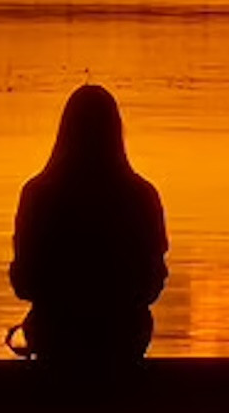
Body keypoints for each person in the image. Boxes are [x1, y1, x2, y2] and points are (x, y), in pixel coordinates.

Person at [9, 85, 167, 364]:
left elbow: (24, 283)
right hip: (123, 338)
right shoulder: (142, 196)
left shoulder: (38, 194)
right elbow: (152, 282)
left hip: (56, 337)